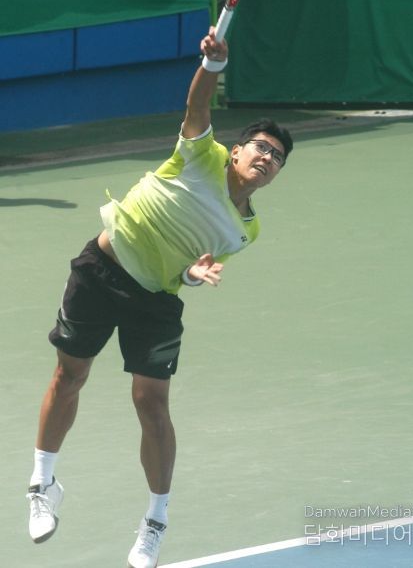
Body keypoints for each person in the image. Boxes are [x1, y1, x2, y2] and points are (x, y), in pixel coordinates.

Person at [26, 28, 293, 568]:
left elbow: (194, 271)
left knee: (151, 404)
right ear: (236, 151)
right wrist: (212, 66)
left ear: (275, 175)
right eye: (261, 147)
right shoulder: (200, 155)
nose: (267, 157)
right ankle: (42, 484)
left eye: (277, 157)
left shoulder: (246, 230)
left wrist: (192, 275)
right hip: (101, 269)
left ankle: (155, 520)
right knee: (68, 376)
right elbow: (197, 105)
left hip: (155, 298)